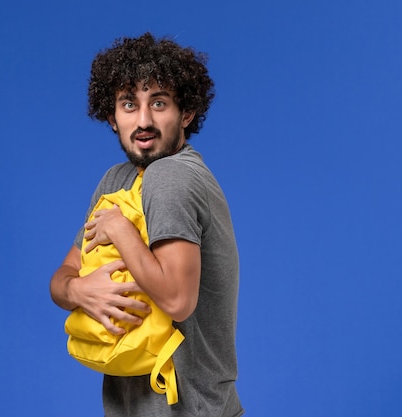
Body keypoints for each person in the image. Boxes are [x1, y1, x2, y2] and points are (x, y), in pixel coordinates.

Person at [50, 32, 243, 417]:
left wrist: (121, 231)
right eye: (128, 104)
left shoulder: (172, 176)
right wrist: (79, 290)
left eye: (159, 103)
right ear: (111, 116)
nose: (143, 121)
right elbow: (62, 276)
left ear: (185, 113)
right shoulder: (116, 179)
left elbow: (177, 301)